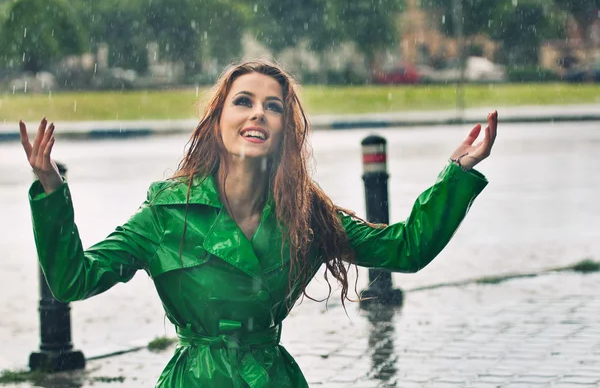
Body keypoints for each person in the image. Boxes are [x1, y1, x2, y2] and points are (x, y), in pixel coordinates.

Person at [20, 60, 497, 387]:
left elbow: (405, 249)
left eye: (273, 106)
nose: (258, 113)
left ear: (285, 130)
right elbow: (72, 280)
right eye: (243, 101)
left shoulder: (305, 216)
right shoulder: (167, 215)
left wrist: (457, 174)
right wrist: (49, 189)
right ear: (217, 120)